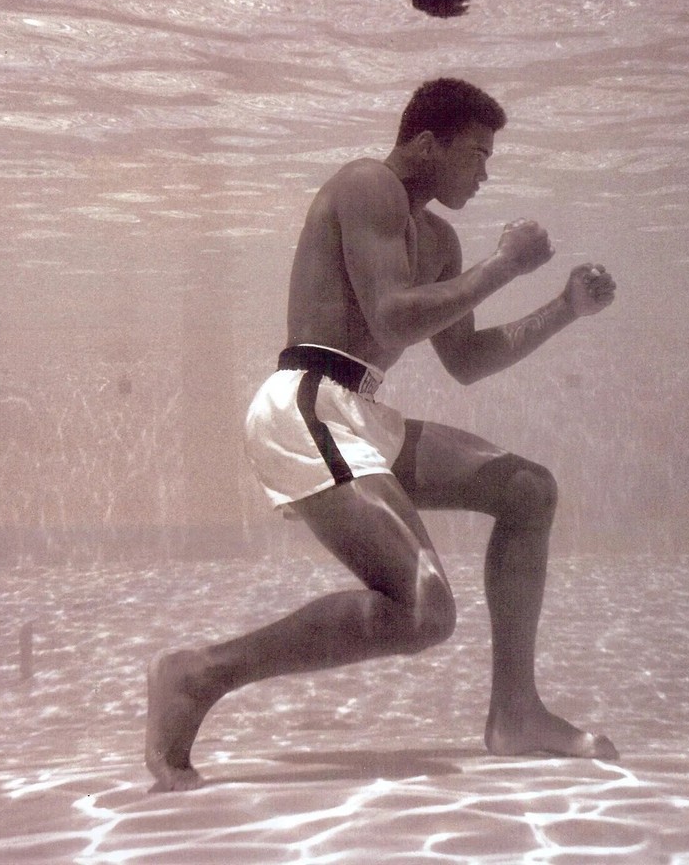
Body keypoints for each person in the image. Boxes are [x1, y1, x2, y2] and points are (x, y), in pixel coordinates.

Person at [145, 78, 618, 791]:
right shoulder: (367, 183)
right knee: (423, 612)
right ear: (426, 143)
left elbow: (464, 361)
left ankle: (516, 713)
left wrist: (562, 309)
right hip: (305, 402)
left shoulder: (438, 238)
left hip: (359, 410)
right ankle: (200, 673)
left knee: (526, 491)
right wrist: (503, 266)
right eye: (474, 154)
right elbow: (394, 316)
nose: (484, 173)